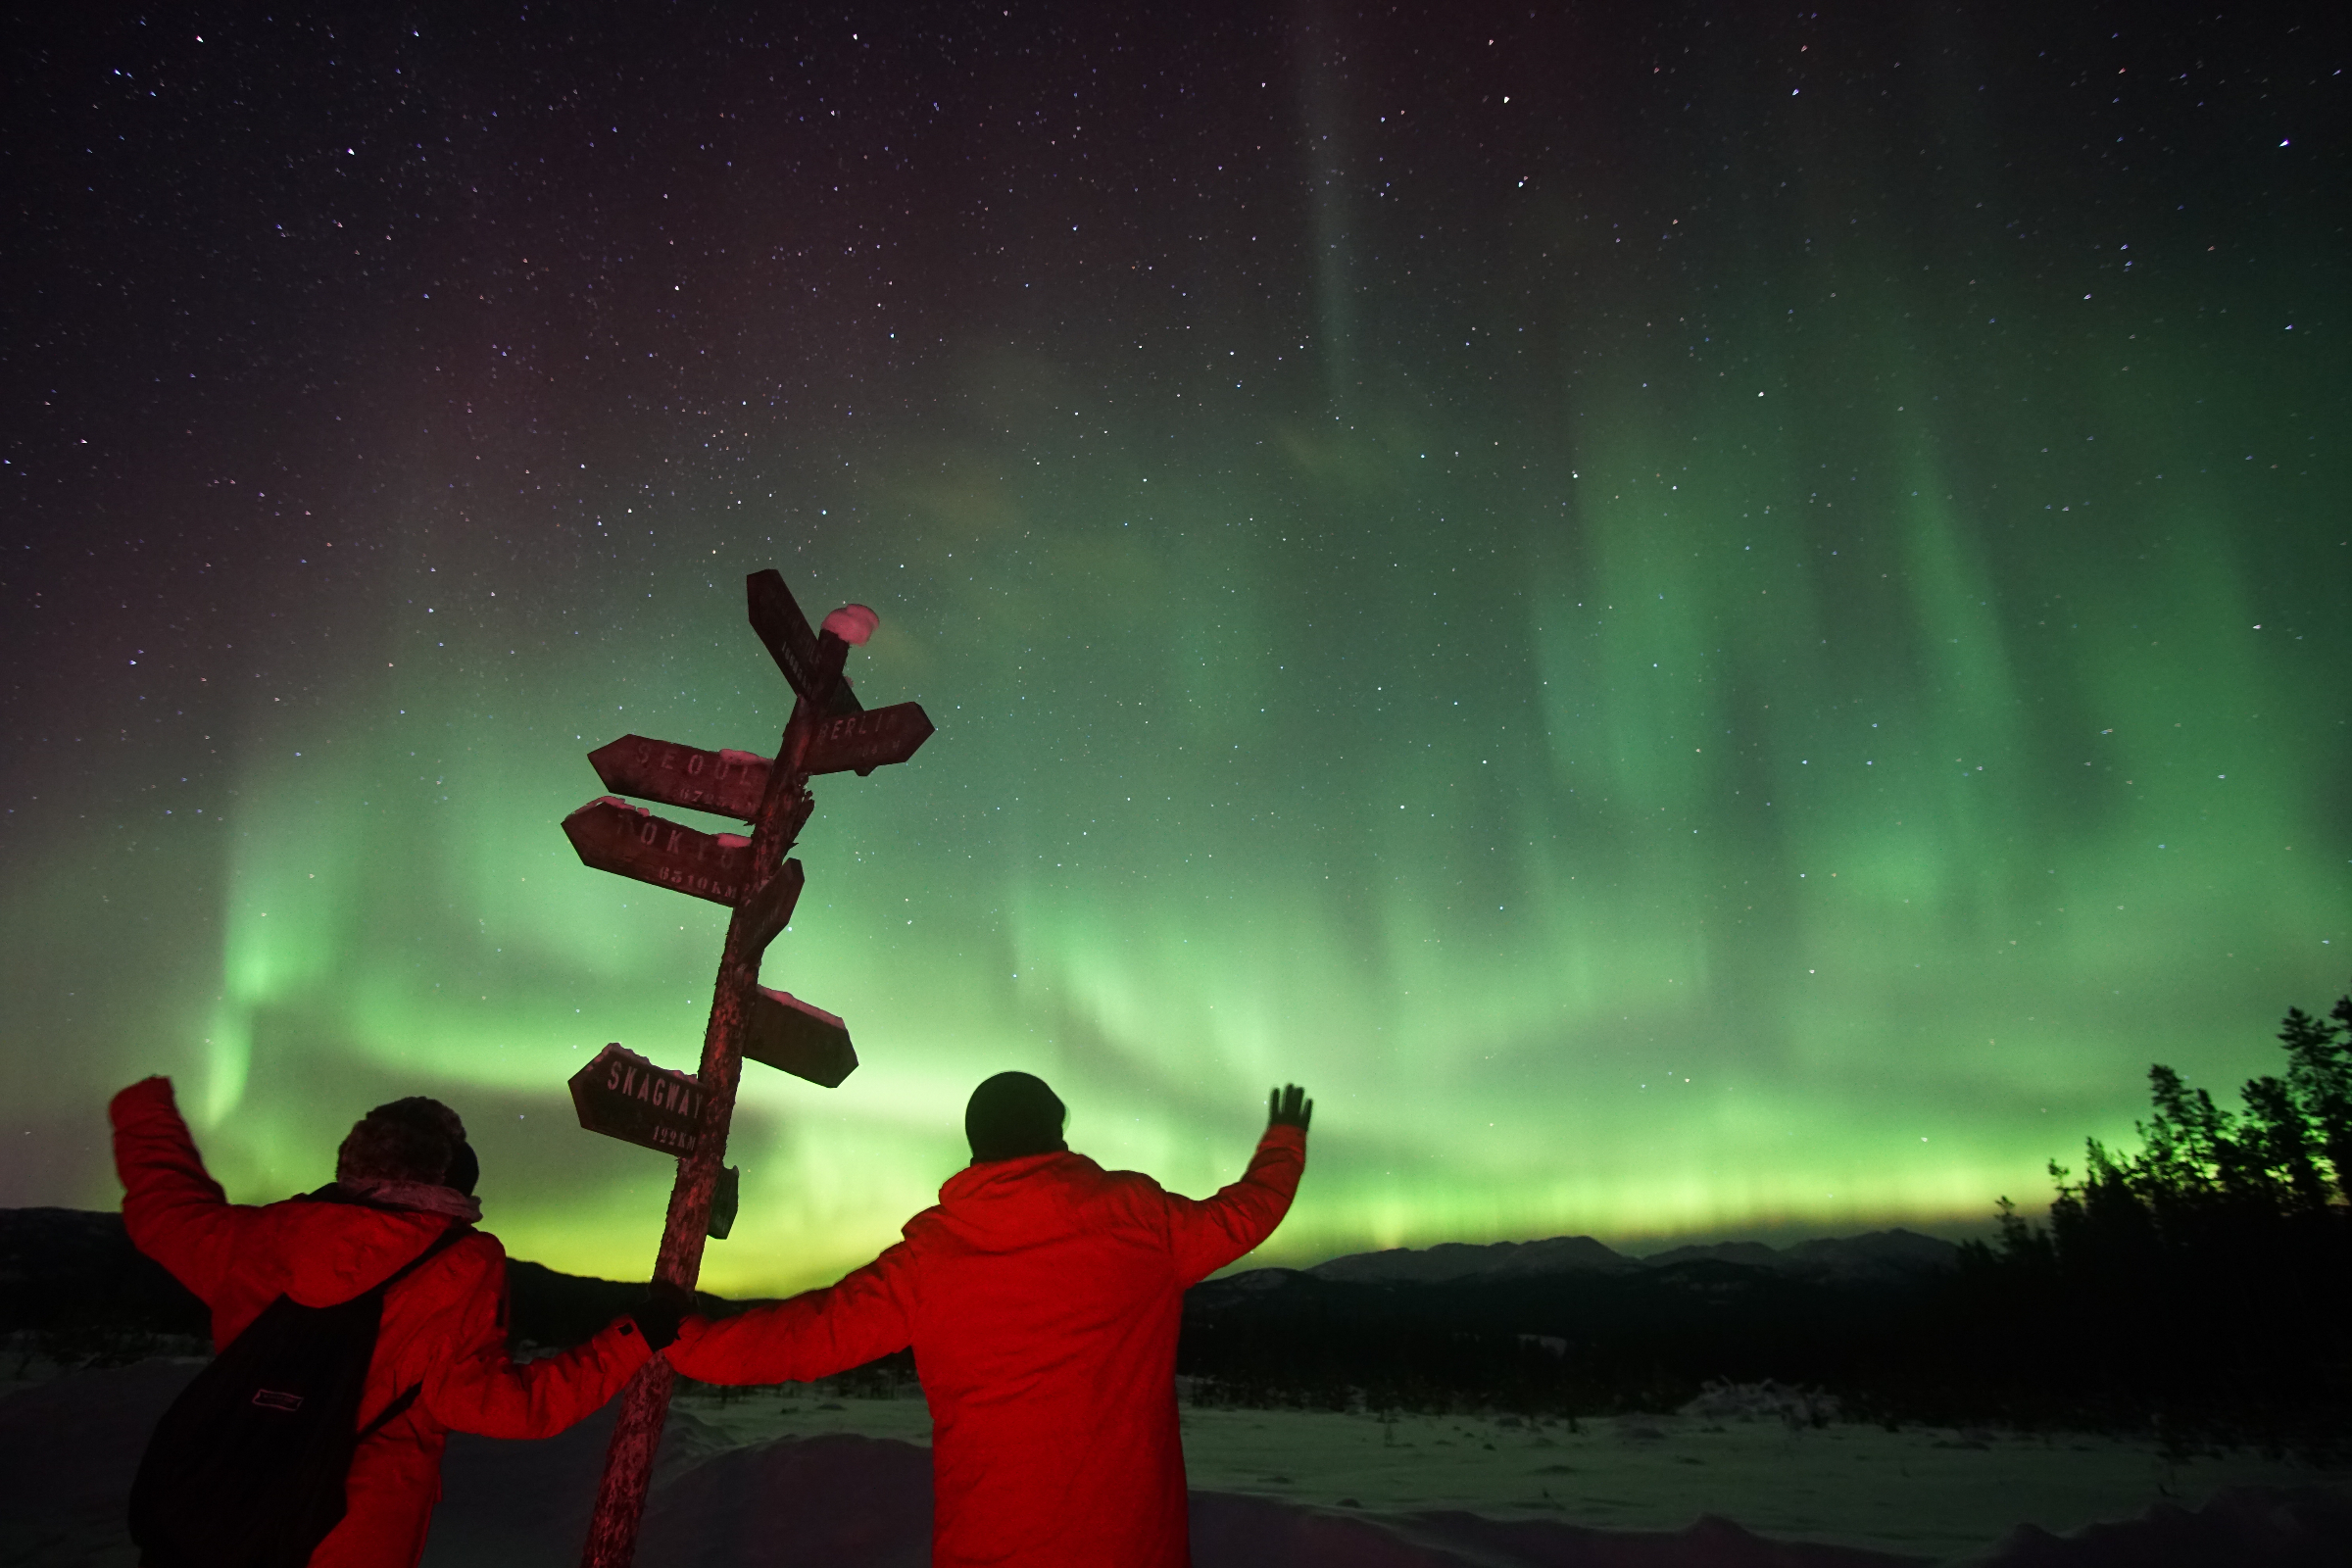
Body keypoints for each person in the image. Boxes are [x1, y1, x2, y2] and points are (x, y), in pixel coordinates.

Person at [667, 1073, 1311, 1568]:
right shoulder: (1140, 1220)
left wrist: (683, 1342)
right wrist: (1283, 1142)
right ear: (1057, 1133)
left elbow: (806, 1337)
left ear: (978, 1146)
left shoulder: (932, 1261)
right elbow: (1245, 1214)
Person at [111, 1076, 687, 1568]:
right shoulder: (458, 1266)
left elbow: (165, 1209)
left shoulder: (267, 1237)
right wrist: (631, 1340)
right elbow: (503, 1406)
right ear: (451, 1176)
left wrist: (143, 1106)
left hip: (219, 1507)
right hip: (349, 1536)